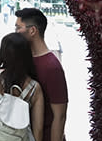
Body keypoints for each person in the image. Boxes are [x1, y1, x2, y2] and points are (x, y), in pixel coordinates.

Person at [15, 8, 68, 141]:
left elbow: (59, 116)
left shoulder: (52, 67)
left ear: (32, 30)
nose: (15, 33)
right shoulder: (23, 59)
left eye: (18, 28)